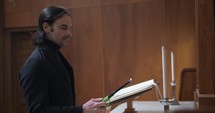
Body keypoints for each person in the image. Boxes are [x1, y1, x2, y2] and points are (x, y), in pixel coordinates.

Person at [19, 5, 106, 113]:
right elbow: (38, 111)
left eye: (70, 28)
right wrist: (81, 109)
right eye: (63, 28)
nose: (69, 34)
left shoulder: (54, 55)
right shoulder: (35, 64)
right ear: (46, 27)